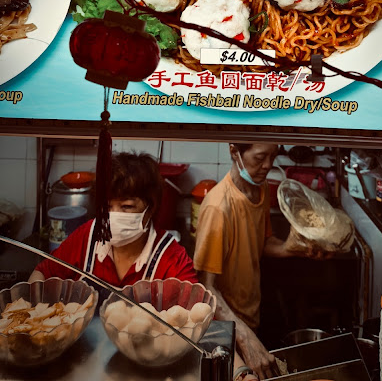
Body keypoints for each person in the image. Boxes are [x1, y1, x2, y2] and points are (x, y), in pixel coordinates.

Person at [194, 143, 317, 381]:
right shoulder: (218, 208)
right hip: (228, 329)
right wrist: (244, 337)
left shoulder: (259, 191)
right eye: (260, 157)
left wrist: (293, 249)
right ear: (234, 152)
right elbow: (205, 287)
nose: (269, 165)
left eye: (273, 156)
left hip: (252, 316)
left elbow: (261, 243)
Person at [29, 152, 197, 290]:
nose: (113, 216)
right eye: (107, 207)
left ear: (150, 208)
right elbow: (43, 273)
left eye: (127, 206)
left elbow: (195, 312)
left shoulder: (172, 259)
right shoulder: (88, 236)